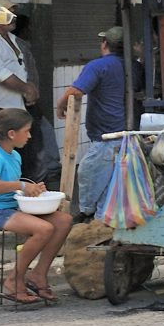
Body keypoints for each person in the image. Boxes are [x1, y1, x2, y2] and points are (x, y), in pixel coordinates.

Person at [0, 108, 73, 306]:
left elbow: (13, 187)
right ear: (11, 134)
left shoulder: (14, 156)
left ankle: (38, 275)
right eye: (26, 131)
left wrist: (33, 191)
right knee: (43, 229)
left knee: (63, 221)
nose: (29, 135)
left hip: (12, 206)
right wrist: (22, 186)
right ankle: (13, 280)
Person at [56, 27, 141, 219]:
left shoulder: (98, 66)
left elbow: (76, 91)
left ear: (105, 45)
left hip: (107, 137)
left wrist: (60, 105)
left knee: (89, 175)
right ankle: (98, 219)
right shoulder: (135, 67)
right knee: (111, 185)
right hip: (129, 136)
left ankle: (88, 215)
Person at [0, 15, 43, 179]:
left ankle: (24, 195)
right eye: (7, 12)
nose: (13, 16)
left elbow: (26, 69)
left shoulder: (15, 40)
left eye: (13, 12)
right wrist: (26, 88)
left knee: (27, 160)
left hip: (19, 107)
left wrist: (32, 88)